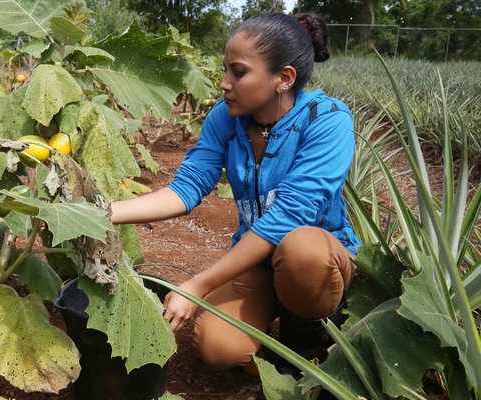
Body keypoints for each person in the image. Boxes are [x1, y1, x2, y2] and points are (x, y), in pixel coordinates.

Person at [110, 12, 358, 373]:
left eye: (238, 72)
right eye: (226, 70)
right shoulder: (225, 118)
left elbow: (290, 215)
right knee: (219, 350)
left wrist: (199, 284)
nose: (224, 83)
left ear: (283, 78)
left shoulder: (327, 119)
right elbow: (187, 187)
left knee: (302, 249)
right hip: (257, 262)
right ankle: (271, 349)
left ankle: (306, 345)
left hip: (316, 261)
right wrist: (106, 211)